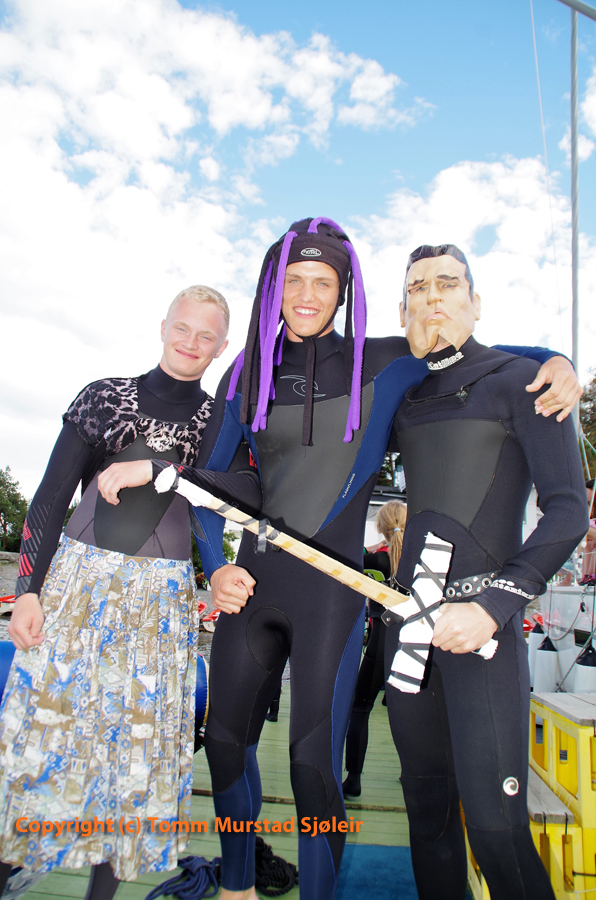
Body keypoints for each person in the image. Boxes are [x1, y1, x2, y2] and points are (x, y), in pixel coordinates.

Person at [99, 217, 580, 900]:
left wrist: (560, 360)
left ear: (344, 290)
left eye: (322, 282)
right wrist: (214, 560)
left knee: (332, 771)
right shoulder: (258, 372)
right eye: (293, 280)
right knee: (239, 747)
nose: (306, 294)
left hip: (365, 600)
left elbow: (483, 357)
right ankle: (237, 882)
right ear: (273, 288)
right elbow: (221, 479)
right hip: (304, 594)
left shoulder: (391, 363)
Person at [0, 286, 237, 900]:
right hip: (76, 588)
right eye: (182, 327)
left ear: (222, 347)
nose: (190, 342)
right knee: (40, 738)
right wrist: (28, 590)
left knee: (134, 752)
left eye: (206, 335)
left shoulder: (221, 420)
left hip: (159, 604)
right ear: (163, 326)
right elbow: (50, 498)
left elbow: (222, 504)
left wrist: (216, 569)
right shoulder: (104, 397)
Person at [384, 244, 588, 900]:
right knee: (428, 820)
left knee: (497, 831)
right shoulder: (401, 396)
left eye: (448, 284)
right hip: (408, 627)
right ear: (403, 309)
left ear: (476, 302)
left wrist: (492, 606)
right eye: (418, 287)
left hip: (485, 628)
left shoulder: (522, 381)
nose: (432, 296)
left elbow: (567, 512)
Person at [342, 499, 407, 798]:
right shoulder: (418, 561)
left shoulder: (374, 561)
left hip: (381, 640)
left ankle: (353, 779)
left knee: (360, 707)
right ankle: (410, 772)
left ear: (381, 528)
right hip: (413, 643)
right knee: (411, 712)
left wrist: (372, 548)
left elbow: (345, 557)